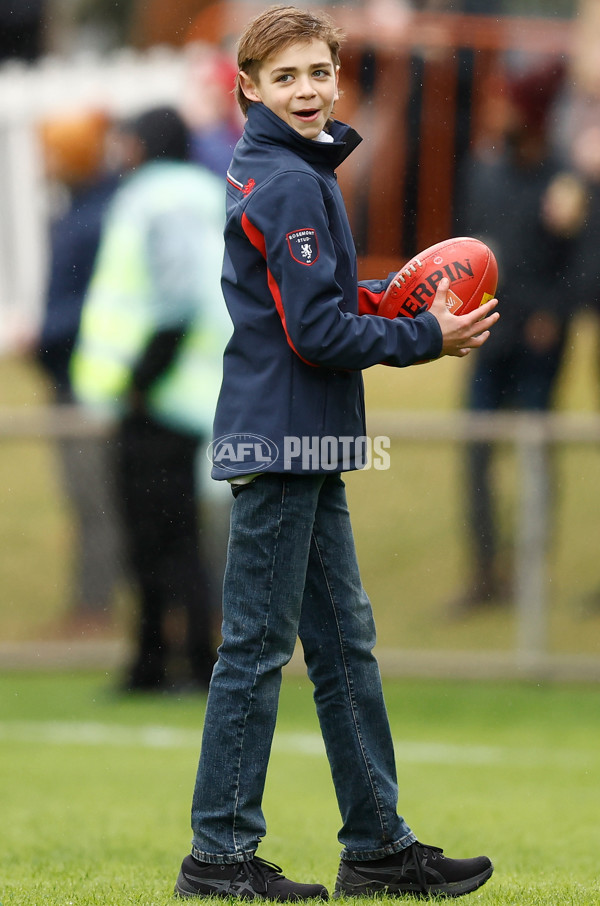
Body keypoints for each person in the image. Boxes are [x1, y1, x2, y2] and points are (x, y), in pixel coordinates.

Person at [173, 5, 499, 900]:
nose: (307, 89)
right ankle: (219, 857)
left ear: (337, 76)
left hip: (304, 438)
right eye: (285, 78)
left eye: (318, 72)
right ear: (249, 87)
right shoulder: (286, 182)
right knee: (257, 648)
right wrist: (423, 335)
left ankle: (378, 848)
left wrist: (394, 300)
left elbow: (313, 296)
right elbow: (316, 331)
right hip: (283, 441)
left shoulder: (289, 170)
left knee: (344, 645)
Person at [71, 106, 229, 692]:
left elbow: (175, 297)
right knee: (177, 540)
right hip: (191, 391)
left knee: (158, 541)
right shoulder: (204, 194)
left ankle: (168, 662)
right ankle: (172, 659)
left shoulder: (155, 198)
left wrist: (140, 381)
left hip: (157, 397)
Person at [450, 58, 584, 612]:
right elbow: (465, 248)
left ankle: (530, 577)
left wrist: (552, 311)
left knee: (534, 458)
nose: (497, 113)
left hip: (537, 348)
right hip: (486, 338)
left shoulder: (566, 181)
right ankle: (485, 576)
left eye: (508, 103)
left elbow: (582, 262)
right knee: (477, 454)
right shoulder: (483, 171)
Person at [35, 109, 125, 636]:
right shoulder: (80, 211)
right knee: (89, 499)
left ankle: (95, 610)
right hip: (72, 375)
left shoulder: (96, 218)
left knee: (96, 499)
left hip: (86, 381)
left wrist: (45, 334)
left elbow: (96, 305)